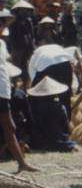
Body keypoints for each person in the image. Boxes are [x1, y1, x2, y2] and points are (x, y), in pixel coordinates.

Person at [0, 42, 36, 171]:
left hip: (3, 93)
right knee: (9, 127)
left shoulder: (2, 43)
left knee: (10, 127)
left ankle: (22, 163)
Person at [28, 77, 76, 152]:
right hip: (57, 139)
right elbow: (65, 125)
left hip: (39, 141)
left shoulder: (34, 106)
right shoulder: (60, 107)